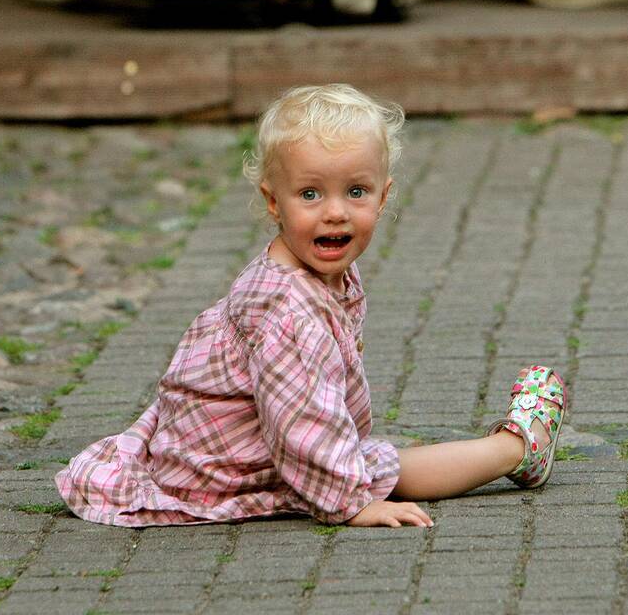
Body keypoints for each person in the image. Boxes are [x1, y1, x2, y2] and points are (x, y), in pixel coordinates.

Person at [55, 84, 568, 528]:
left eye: (356, 191)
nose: (335, 213)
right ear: (274, 201)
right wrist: (350, 503)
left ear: (383, 198)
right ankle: (518, 448)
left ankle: (510, 450)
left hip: (211, 448)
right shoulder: (289, 312)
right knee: (382, 469)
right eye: (310, 194)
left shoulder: (308, 270)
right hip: (228, 469)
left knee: (370, 460)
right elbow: (299, 425)